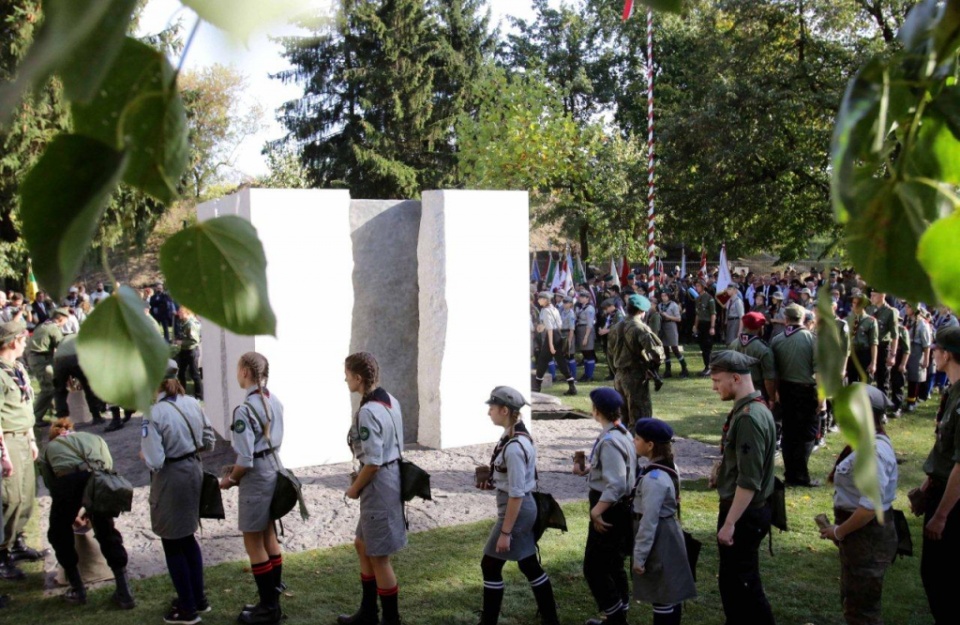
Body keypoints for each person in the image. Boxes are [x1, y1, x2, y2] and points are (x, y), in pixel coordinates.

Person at [475, 386, 559, 625]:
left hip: (517, 510)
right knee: (528, 564)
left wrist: (505, 532)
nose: (488, 412)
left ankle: (488, 621)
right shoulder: (513, 435)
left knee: (490, 564)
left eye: (491, 407)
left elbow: (517, 494)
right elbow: (513, 483)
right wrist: (494, 483)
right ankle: (551, 619)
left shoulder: (513, 447)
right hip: (519, 506)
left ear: (505, 410)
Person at [143, 360, 215, 624]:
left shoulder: (154, 413)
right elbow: (209, 441)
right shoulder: (192, 402)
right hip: (193, 468)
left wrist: (144, 454)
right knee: (187, 537)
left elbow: (154, 459)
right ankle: (198, 598)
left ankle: (187, 609)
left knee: (172, 542)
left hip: (171, 476)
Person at [819, 384, 898, 625]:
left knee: (862, 612)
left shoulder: (872, 452)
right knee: (854, 602)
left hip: (866, 538)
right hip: (859, 538)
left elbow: (868, 509)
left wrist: (839, 532)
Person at [709, 350, 777, 625]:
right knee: (734, 584)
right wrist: (721, 469)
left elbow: (750, 480)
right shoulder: (752, 408)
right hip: (746, 510)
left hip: (744, 514)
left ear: (735, 378)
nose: (714, 387)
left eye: (717, 380)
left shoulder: (749, 417)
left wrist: (729, 523)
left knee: (744, 586)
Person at [339, 352, 406, 625]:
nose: (344, 379)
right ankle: (368, 612)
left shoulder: (367, 411)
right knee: (362, 544)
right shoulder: (389, 399)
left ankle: (390, 620)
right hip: (390, 478)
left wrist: (355, 487)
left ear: (358, 378)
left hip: (378, 484)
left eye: (346, 375)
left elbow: (374, 461)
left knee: (379, 557)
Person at [220, 352, 286, 625]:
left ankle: (268, 608)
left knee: (253, 541)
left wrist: (230, 480)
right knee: (269, 533)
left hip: (257, 476)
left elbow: (245, 459)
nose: (237, 374)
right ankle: (272, 598)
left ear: (246, 371)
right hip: (274, 467)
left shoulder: (245, 410)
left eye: (238, 369)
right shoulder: (273, 400)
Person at [40, 418, 134, 608]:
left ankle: (77, 588)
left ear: (54, 436)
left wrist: (72, 512)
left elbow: (53, 486)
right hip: (99, 478)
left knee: (58, 532)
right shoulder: (94, 438)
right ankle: (124, 591)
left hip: (68, 481)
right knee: (106, 530)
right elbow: (108, 466)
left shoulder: (50, 448)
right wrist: (91, 506)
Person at [575, 388, 636, 625]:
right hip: (619, 506)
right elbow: (620, 470)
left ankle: (616, 618)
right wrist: (591, 471)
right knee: (613, 564)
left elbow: (617, 483)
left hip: (609, 508)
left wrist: (596, 511)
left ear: (596, 411)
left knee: (594, 568)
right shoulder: (622, 433)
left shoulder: (610, 441)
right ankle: (620, 613)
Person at [632, 418, 697, 625]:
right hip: (668, 532)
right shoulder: (666, 467)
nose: (634, 441)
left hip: (660, 538)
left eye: (637, 438)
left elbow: (649, 520)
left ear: (650, 445)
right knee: (669, 592)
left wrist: (639, 557)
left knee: (662, 596)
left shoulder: (654, 479)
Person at [919, 326, 960, 624]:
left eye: (936, 350)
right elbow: (944, 449)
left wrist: (942, 514)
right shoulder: (952, 390)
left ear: (946, 354)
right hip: (941, 489)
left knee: (942, 578)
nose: (933, 354)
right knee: (933, 574)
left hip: (953, 503)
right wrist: (928, 482)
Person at [0, 319, 42, 580]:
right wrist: (3, 454)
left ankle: (18, 542)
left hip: (24, 437)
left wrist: (32, 438)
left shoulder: (17, 368)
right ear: (13, 341)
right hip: (7, 440)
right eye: (24, 339)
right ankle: (2, 553)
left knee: (27, 493)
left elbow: (25, 408)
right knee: (10, 497)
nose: (26, 343)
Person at [770, 304, 820, 487]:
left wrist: (775, 393)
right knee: (806, 435)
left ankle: (791, 473)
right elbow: (819, 370)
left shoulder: (777, 339)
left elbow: (772, 371)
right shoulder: (811, 339)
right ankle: (800, 475)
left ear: (785, 319)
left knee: (789, 434)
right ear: (803, 318)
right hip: (805, 391)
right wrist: (822, 398)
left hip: (784, 390)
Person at [609, 294, 662, 427]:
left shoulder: (616, 327)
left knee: (622, 419)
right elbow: (657, 353)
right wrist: (653, 368)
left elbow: (609, 353)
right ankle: (637, 447)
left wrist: (615, 371)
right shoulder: (640, 328)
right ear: (641, 311)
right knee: (639, 418)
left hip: (619, 376)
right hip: (635, 376)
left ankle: (623, 446)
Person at [26, 307, 68, 425]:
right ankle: (35, 417)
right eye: (66, 320)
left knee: (52, 384)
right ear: (61, 319)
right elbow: (61, 345)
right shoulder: (53, 328)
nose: (66, 323)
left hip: (37, 358)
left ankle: (55, 412)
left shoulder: (44, 324)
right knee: (48, 389)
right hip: (41, 359)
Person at [52, 334, 106, 426]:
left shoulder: (64, 339)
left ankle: (62, 420)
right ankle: (96, 416)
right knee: (88, 387)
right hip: (77, 357)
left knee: (60, 391)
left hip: (59, 360)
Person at [532, 292, 577, 395]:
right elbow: (559, 325)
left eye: (540, 298)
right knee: (561, 362)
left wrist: (551, 345)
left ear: (546, 300)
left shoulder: (546, 311)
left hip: (551, 336)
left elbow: (550, 329)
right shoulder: (555, 309)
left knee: (542, 360)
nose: (538, 300)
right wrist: (542, 327)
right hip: (557, 336)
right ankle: (572, 386)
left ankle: (537, 386)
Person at [729, 312, 777, 404]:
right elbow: (769, 379)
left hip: (739, 391)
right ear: (760, 328)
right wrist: (772, 398)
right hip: (758, 393)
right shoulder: (763, 349)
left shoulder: (733, 344)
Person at [870, 290, 900, 401]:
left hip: (883, 348)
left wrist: (892, 355)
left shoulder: (890, 312)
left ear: (882, 295)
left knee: (883, 380)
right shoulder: (870, 309)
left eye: (874, 295)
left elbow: (895, 335)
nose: (871, 297)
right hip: (870, 347)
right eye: (871, 295)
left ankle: (882, 408)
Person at [905, 304, 932, 413]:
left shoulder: (922, 324)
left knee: (915, 376)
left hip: (917, 351)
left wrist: (926, 359)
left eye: (908, 307)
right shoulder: (909, 320)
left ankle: (912, 401)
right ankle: (908, 399)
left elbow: (926, 345)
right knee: (908, 376)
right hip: (908, 349)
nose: (906, 309)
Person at [848, 294, 878, 383]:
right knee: (851, 383)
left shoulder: (870, 321)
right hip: (851, 354)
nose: (855, 305)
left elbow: (874, 343)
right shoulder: (847, 320)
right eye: (854, 303)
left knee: (864, 384)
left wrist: (873, 363)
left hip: (864, 354)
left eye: (858, 303)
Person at [658, 291, 689, 379]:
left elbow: (679, 318)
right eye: (662, 295)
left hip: (671, 325)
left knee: (675, 348)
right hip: (663, 326)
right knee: (665, 349)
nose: (663, 297)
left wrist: (668, 316)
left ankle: (684, 368)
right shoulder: (660, 305)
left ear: (668, 296)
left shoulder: (673, 305)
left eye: (665, 295)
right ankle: (668, 370)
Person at [175, 307, 203, 400]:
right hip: (184, 350)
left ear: (186, 313)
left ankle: (199, 396)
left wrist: (181, 342)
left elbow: (194, 341)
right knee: (181, 372)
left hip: (191, 351)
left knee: (194, 374)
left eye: (181, 312)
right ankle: (183, 393)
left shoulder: (190, 324)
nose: (178, 313)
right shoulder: (184, 322)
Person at [694, 281, 717, 376]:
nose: (696, 287)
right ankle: (706, 366)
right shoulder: (698, 298)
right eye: (696, 286)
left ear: (703, 287)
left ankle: (710, 367)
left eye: (698, 285)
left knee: (707, 347)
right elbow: (697, 314)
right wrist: (695, 326)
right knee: (703, 347)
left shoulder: (709, 298)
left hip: (708, 324)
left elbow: (713, 314)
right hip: (701, 325)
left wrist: (712, 327)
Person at [576, 291, 598, 383]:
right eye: (580, 296)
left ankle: (590, 375)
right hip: (581, 330)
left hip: (586, 331)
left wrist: (586, 337)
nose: (580, 298)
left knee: (589, 353)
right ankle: (586, 374)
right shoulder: (582, 307)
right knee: (585, 354)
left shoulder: (589, 309)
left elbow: (589, 324)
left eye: (582, 297)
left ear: (587, 298)